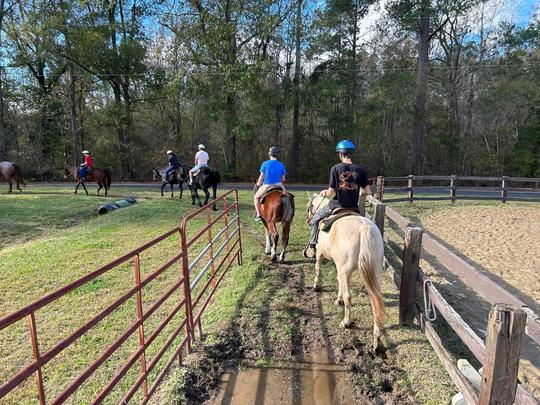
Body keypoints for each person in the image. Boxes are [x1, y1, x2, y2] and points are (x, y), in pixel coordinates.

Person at [303, 140, 372, 258]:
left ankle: (312, 246)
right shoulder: (360, 170)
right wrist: (358, 193)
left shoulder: (335, 169)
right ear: (351, 153)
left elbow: (330, 193)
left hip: (337, 206)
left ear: (340, 154)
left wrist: (324, 192)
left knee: (314, 219)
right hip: (354, 208)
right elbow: (368, 192)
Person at [253, 146, 287, 221]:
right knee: (288, 197)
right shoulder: (281, 164)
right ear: (277, 155)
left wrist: (258, 184)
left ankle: (258, 214)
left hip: (267, 185)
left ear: (269, 154)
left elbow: (261, 177)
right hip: (279, 185)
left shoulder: (265, 164)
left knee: (256, 197)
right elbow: (283, 179)